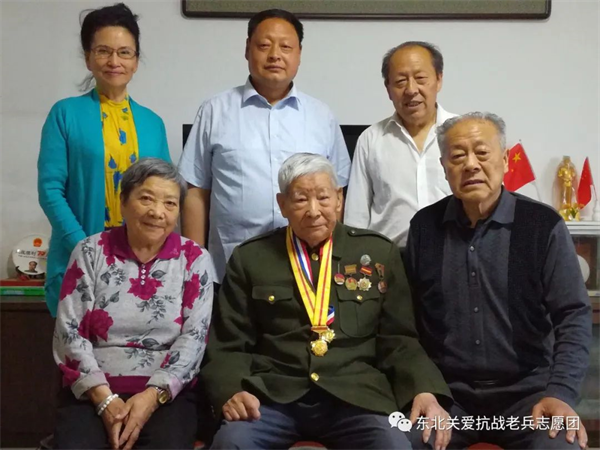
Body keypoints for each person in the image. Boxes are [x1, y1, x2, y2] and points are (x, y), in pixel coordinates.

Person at [202, 153, 452, 450]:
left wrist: (422, 388)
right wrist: (230, 390)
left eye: (323, 197)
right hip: (273, 395)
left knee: (394, 445)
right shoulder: (251, 258)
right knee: (231, 443)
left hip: (355, 396)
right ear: (282, 204)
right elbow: (229, 343)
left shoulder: (377, 253)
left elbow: (399, 338)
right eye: (300, 200)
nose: (313, 211)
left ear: (339, 199)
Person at [405, 112, 592, 450]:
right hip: (449, 398)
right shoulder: (424, 228)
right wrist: (423, 388)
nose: (470, 165)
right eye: (457, 156)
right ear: (444, 167)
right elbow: (407, 324)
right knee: (401, 441)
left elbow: (573, 315)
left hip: (528, 398)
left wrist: (561, 393)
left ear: (505, 160)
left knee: (560, 446)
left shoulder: (542, 225)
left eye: (482, 152)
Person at [52, 158, 214, 450]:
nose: (157, 212)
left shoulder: (193, 258)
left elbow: (195, 337)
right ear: (124, 202)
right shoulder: (90, 251)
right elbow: (69, 332)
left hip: (166, 394)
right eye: (146, 199)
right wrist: (104, 399)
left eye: (170, 203)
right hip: (93, 390)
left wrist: (151, 397)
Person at [178, 9, 350, 282]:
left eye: (285, 47)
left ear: (299, 54)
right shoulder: (214, 111)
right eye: (264, 45)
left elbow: (337, 193)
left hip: (309, 269)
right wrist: (194, 267)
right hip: (230, 268)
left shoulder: (321, 116)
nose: (274, 55)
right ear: (247, 49)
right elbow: (196, 192)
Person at [38, 3, 170, 317]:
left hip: (140, 264)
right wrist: (85, 248)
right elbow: (50, 190)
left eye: (124, 52)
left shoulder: (153, 123)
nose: (114, 61)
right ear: (88, 57)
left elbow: (166, 196)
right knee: (79, 347)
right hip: (77, 259)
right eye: (103, 51)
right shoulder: (65, 114)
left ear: (136, 60)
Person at [345, 42, 456, 247]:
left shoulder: (461, 133)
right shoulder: (371, 139)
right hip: (390, 259)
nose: (411, 90)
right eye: (400, 81)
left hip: (452, 254)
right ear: (388, 89)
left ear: (439, 79)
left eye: (420, 78)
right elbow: (356, 217)